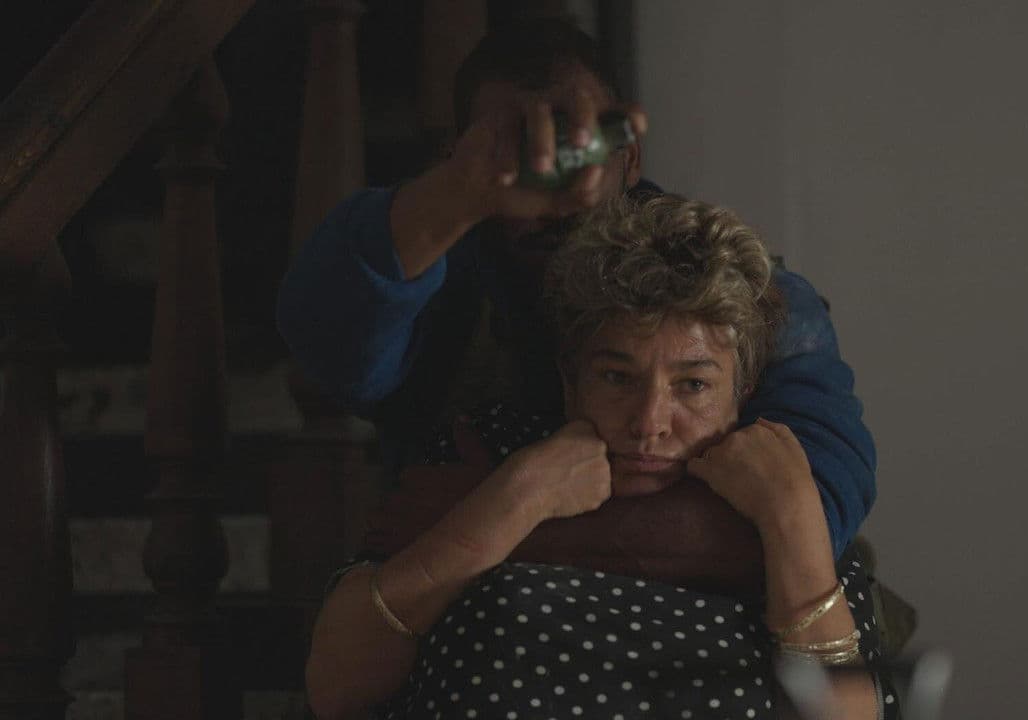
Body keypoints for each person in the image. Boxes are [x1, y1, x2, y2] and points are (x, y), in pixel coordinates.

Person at [275, 18, 876, 558]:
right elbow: (325, 340)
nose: (554, 189)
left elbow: (815, 513)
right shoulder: (444, 284)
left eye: (576, 151)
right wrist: (456, 194)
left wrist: (489, 518)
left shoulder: (739, 293)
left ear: (630, 159)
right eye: (521, 156)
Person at [305, 195, 896, 720]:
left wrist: (791, 518)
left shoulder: (779, 487)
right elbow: (336, 690)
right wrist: (516, 499)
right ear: (571, 379)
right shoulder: (485, 455)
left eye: (693, 385)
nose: (649, 423)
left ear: (741, 392)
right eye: (617, 377)